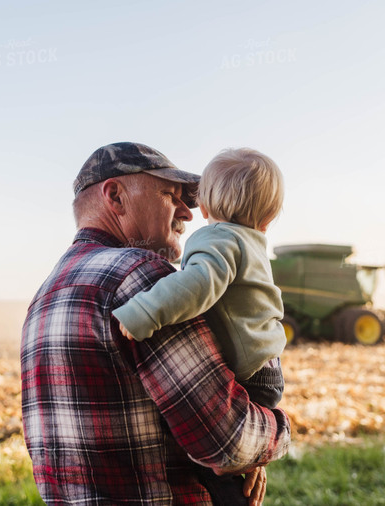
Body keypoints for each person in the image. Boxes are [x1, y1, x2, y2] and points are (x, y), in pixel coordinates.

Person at [21, 142, 291, 505]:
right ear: (115, 196)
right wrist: (280, 430)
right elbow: (227, 441)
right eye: (171, 195)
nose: (188, 213)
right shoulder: (145, 280)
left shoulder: (45, 296)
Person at [112, 147, 286, 504]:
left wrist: (144, 312)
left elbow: (197, 284)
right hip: (264, 368)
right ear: (268, 219)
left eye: (191, 201)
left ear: (205, 209)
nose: (188, 213)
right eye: (170, 196)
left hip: (249, 371)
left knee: (221, 469)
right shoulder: (251, 243)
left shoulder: (218, 238)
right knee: (230, 466)